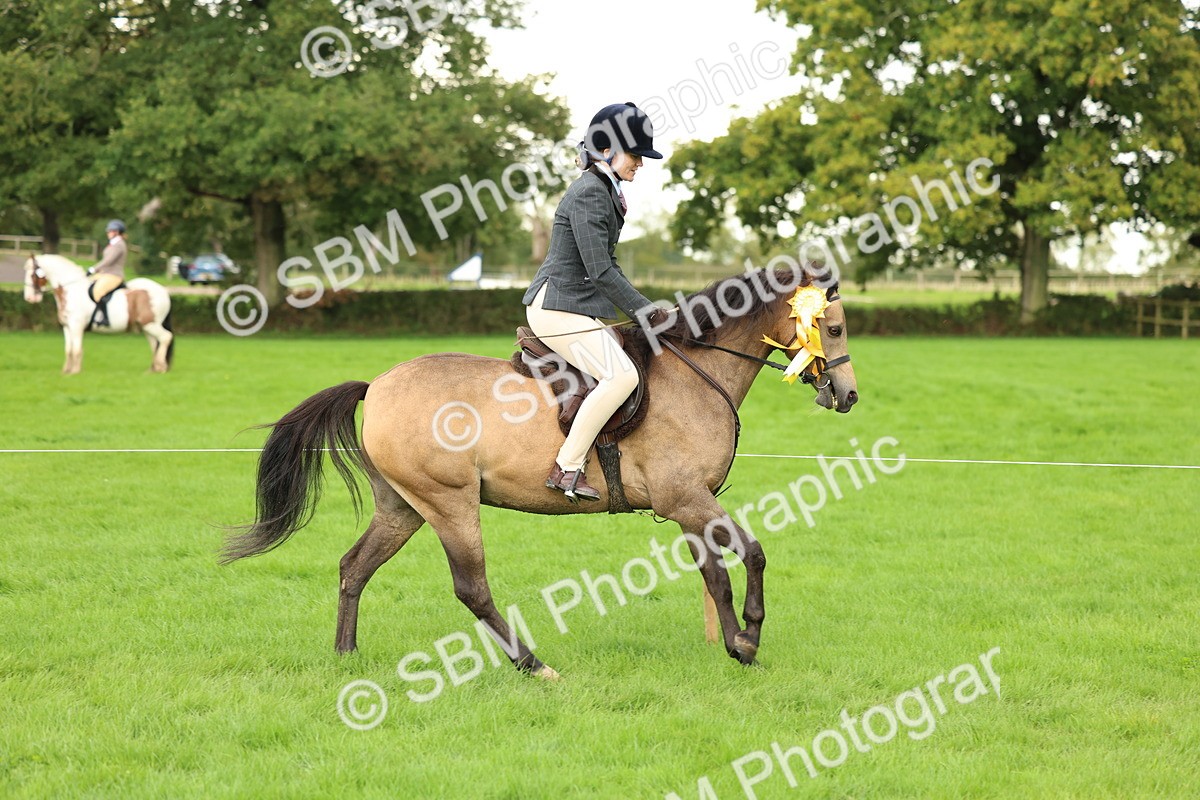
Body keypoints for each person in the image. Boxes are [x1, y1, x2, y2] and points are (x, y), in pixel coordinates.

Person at [522, 102, 672, 501]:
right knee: (622, 376)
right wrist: (646, 312)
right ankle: (567, 467)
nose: (640, 164)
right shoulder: (590, 192)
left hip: (575, 306)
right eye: (635, 155)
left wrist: (648, 307)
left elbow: (609, 266)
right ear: (606, 150)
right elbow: (602, 271)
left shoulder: (605, 190)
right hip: (556, 307)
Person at [87, 219, 128, 327]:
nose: (108, 233)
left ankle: (105, 318)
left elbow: (108, 261)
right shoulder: (113, 244)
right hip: (106, 273)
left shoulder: (119, 245)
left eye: (110, 231)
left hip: (114, 275)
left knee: (98, 291)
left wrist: (93, 269)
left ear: (117, 232)